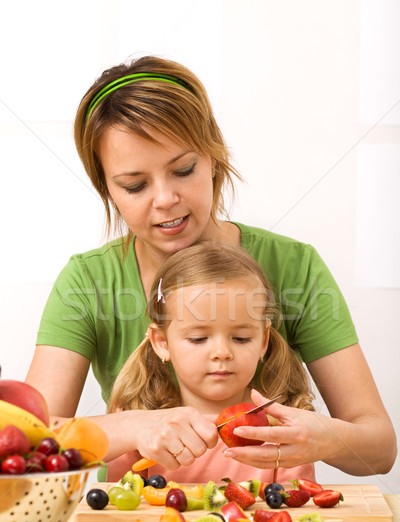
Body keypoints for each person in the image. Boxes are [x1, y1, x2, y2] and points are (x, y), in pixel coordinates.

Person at [25, 55, 396, 480]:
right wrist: (131, 426)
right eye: (134, 185)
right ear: (106, 188)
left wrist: (323, 438)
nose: (164, 199)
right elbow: (30, 445)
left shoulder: (295, 266)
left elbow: (380, 448)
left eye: (183, 170)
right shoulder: (87, 282)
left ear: (214, 158)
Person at [106, 241, 315, 483]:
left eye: (241, 338)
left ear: (263, 340)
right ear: (162, 342)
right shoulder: (140, 422)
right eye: (198, 338)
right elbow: (119, 509)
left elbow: (294, 508)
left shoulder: (282, 426)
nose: (222, 352)